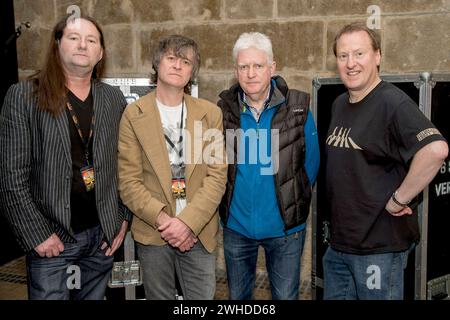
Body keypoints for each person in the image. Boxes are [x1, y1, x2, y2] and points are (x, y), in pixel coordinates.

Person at [0, 14, 131, 300]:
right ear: (58, 45)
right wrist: (37, 234)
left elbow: (127, 167)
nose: (83, 45)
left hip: (102, 237)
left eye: (91, 40)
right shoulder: (24, 96)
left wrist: (122, 219)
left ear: (101, 53)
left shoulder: (113, 99)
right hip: (52, 237)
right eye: (74, 37)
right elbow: (12, 177)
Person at [323, 22, 449, 300]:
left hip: (378, 249)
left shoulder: (393, 103)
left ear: (377, 56)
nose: (350, 63)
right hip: (339, 247)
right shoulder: (339, 103)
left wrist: (399, 199)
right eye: (343, 56)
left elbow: (436, 149)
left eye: (359, 53)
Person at [117, 34, 227, 300]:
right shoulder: (134, 114)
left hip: (198, 232)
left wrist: (187, 224)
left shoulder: (210, 113)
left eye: (186, 61)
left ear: (192, 71)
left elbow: (217, 176)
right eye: (171, 58)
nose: (178, 65)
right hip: (154, 231)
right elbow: (129, 182)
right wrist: (168, 223)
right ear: (157, 63)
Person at [217, 32, 320, 300]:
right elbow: (218, 165)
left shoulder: (298, 109)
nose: (250, 73)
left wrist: (291, 201)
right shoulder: (223, 110)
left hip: (285, 231)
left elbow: (311, 165)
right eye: (243, 66)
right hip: (237, 229)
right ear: (235, 70)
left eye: (258, 66)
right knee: (237, 299)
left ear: (272, 68)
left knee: (285, 297)